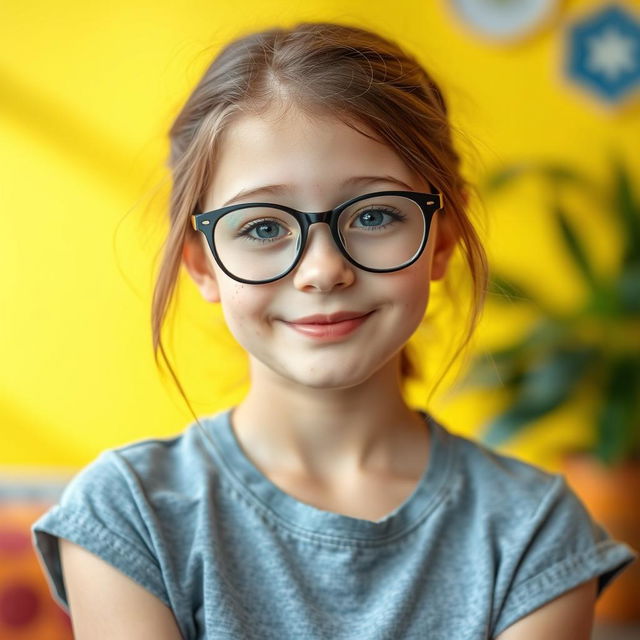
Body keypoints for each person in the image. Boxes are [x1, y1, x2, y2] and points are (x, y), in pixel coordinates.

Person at [31, 21, 637, 640]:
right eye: (263, 228)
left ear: (443, 238)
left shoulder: (534, 530)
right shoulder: (128, 514)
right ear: (201, 262)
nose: (323, 270)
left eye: (374, 215)